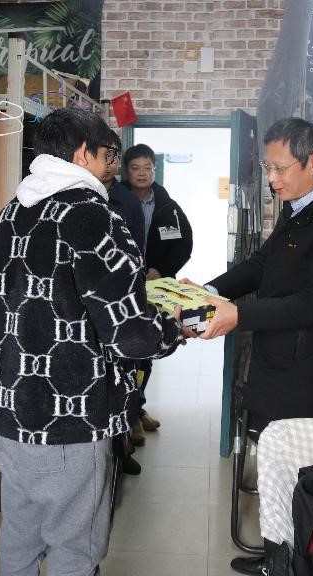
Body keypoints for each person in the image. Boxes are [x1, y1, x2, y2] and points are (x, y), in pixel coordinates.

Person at [0, 108, 184, 576]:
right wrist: (175, 326)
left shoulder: (8, 216)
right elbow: (131, 336)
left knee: (20, 538)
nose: (113, 165)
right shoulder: (91, 216)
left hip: (8, 413)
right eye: (109, 154)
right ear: (80, 153)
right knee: (75, 549)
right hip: (69, 417)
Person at [186, 117, 313, 576]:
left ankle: (293, 565)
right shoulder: (300, 208)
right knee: (273, 464)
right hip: (276, 361)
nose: (272, 179)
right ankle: (276, 558)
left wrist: (239, 315)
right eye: (267, 168)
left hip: (306, 374)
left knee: (299, 474)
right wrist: (209, 291)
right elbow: (260, 265)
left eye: (280, 168)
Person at [122, 144, 194, 439]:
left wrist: (160, 270)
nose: (142, 173)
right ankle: (127, 416)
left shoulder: (168, 207)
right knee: (123, 351)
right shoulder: (116, 201)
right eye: (135, 168)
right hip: (121, 286)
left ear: (154, 169)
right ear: (126, 171)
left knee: (147, 348)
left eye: (147, 167)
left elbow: (184, 245)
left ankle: (138, 410)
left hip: (155, 288)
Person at [101, 129, 145, 475]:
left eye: (114, 156)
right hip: (88, 306)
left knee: (124, 376)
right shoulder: (78, 197)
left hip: (121, 300)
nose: (110, 163)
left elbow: (136, 255)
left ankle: (123, 446)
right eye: (105, 155)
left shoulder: (128, 203)